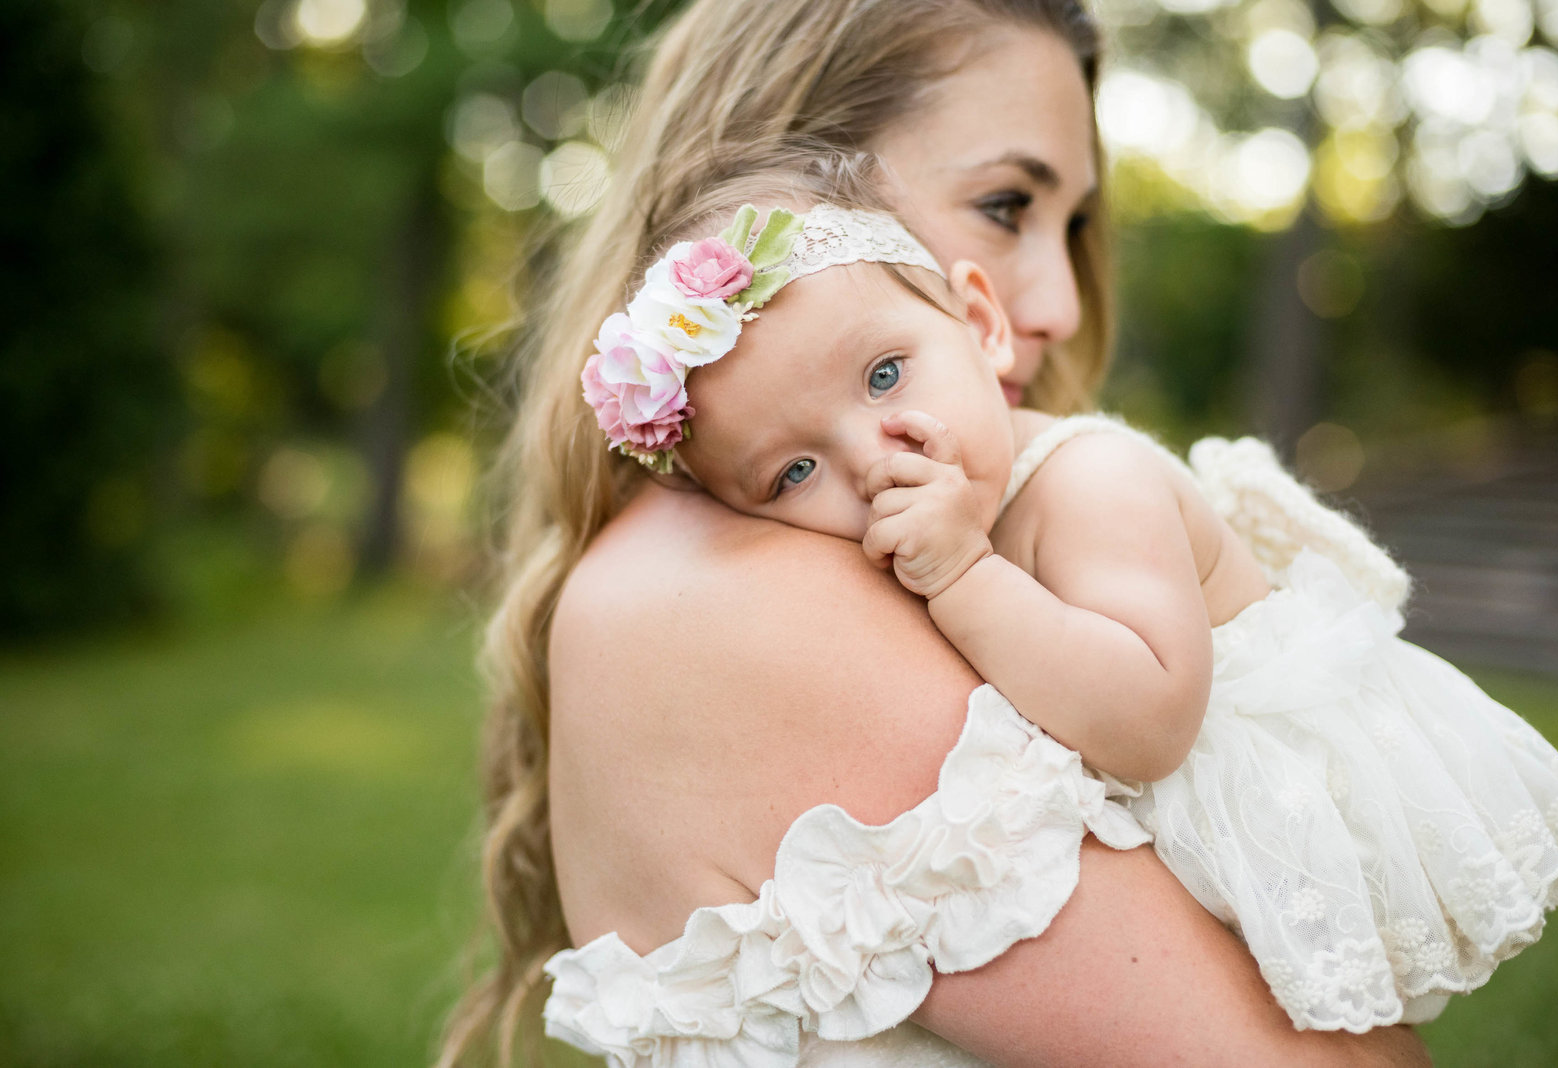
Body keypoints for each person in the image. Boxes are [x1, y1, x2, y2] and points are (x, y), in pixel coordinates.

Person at [440, 1, 1435, 1064]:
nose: (1054, 303)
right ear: (788, 169)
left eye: (1077, 227)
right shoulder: (752, 600)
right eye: (1006, 203)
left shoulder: (736, 549)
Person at [573, 183, 1558, 1043]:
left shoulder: (1090, 482)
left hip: (1269, 798)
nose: (874, 456)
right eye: (795, 470)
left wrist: (968, 578)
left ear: (979, 324)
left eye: (885, 374)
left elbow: (1149, 723)